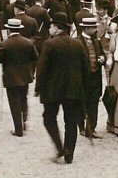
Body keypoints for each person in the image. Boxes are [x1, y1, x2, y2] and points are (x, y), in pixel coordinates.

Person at [35, 12, 89, 164]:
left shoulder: (49, 44)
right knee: (71, 121)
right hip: (73, 89)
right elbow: (85, 68)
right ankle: (69, 154)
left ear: (57, 28)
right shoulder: (77, 43)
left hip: (53, 89)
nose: (49, 29)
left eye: (51, 26)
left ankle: (59, 148)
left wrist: (38, 87)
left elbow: (42, 68)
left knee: (49, 118)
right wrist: (83, 88)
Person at [0, 18, 38, 137]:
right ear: (19, 29)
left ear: (9, 29)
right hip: (25, 76)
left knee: (14, 103)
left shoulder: (5, 43)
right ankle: (24, 122)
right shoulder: (28, 42)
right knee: (23, 99)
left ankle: (18, 129)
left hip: (11, 78)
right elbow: (35, 57)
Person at [77, 17, 106, 138]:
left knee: (94, 103)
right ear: (87, 28)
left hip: (95, 77)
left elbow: (102, 54)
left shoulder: (96, 41)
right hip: (83, 79)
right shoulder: (77, 42)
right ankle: (81, 127)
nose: (96, 30)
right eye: (93, 28)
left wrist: (102, 59)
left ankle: (91, 129)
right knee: (81, 103)